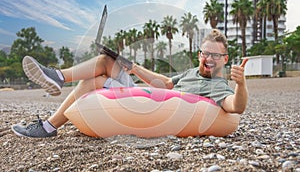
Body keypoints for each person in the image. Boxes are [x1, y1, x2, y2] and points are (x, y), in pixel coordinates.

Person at [11, 29, 248, 138]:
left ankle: (57, 84)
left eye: (216, 56)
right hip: (149, 95)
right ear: (199, 54)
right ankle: (49, 124)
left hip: (150, 103)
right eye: (206, 53)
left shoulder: (218, 85)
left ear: (224, 59)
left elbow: (235, 107)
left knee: (101, 67)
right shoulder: (189, 73)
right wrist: (132, 66)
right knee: (98, 75)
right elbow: (165, 83)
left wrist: (241, 85)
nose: (209, 59)